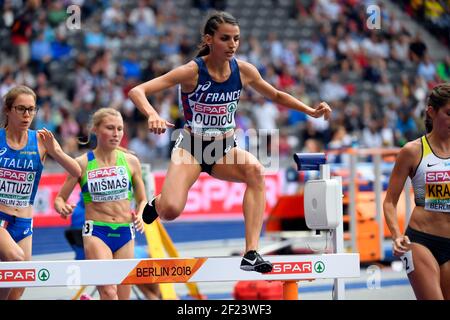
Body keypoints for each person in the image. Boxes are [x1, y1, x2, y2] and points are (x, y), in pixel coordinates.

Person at [128, 11, 332, 273]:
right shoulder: (192, 71)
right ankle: (157, 203)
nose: (232, 44)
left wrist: (310, 111)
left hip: (224, 149)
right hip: (191, 148)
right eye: (225, 39)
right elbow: (137, 91)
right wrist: (153, 114)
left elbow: (277, 95)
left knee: (257, 172)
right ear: (209, 39)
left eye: (236, 39)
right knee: (170, 210)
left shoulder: (244, 70)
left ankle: (251, 253)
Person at [54, 108, 146, 300]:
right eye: (110, 128)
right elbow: (59, 198)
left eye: (120, 129)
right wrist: (61, 206)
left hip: (125, 232)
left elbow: (142, 199)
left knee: (122, 296)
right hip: (97, 232)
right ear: (95, 129)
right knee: (109, 291)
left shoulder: (131, 161)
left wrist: (141, 213)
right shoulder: (82, 163)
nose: (116, 133)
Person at [0, 85, 82, 300]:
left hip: (24, 222)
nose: (27, 115)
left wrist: (55, 151)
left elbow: (76, 171)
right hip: (0, 218)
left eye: (31, 109)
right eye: (21, 109)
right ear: (8, 110)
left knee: (21, 282)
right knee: (16, 261)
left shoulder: (41, 140)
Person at [383, 82, 450, 300]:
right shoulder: (412, 151)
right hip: (421, 240)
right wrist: (396, 235)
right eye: (449, 113)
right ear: (432, 112)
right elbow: (390, 201)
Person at [64, 191, 162, 300]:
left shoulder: (78, 211)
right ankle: (155, 296)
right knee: (144, 262)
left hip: (84, 255)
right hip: (100, 254)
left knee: (131, 271)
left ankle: (153, 296)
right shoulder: (100, 209)